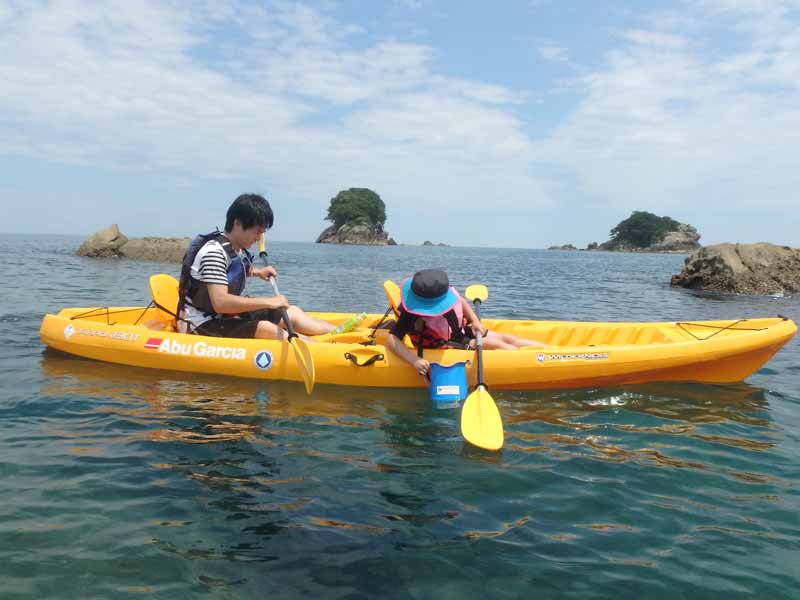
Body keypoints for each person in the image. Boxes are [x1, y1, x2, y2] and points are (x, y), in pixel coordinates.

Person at [178, 194, 334, 339]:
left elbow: (231, 271)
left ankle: (340, 335)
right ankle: (327, 355)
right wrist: (269, 302)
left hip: (225, 317)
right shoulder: (214, 253)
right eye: (256, 231)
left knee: (291, 313)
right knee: (267, 329)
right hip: (199, 323)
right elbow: (221, 303)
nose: (259, 237)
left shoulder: (236, 249)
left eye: (262, 232)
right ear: (237, 223)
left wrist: (258, 272)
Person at [385, 269, 546, 378]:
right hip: (445, 344)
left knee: (507, 338)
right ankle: (536, 362)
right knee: (496, 343)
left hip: (460, 331)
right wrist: (414, 360)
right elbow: (391, 340)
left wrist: (475, 321)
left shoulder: (443, 291)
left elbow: (460, 301)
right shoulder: (411, 313)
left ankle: (552, 351)